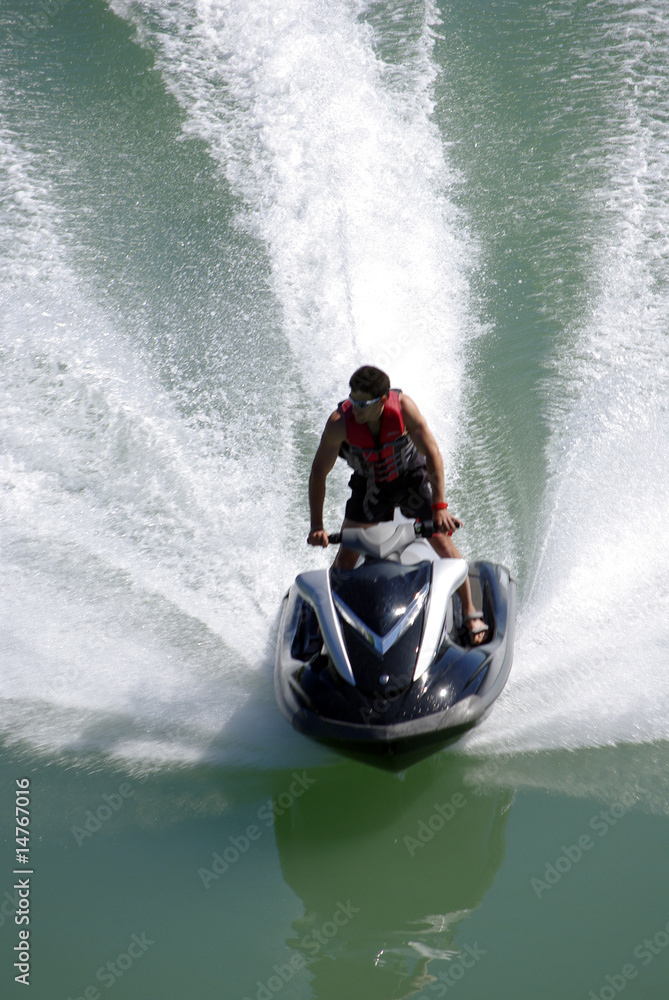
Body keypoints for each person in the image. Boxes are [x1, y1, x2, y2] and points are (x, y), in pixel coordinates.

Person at [307, 365, 489, 645]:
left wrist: (440, 506)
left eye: (363, 403)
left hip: (409, 478)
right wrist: (317, 526)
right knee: (346, 557)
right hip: (370, 485)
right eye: (352, 400)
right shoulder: (339, 423)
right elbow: (319, 471)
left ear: (382, 401)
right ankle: (326, 623)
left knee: (441, 541)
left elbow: (432, 453)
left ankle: (469, 610)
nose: (355, 408)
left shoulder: (403, 409)